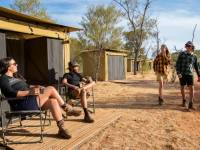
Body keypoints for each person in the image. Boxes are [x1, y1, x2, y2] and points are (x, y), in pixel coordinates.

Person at [0, 57, 82, 139]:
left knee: (52, 101)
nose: (16, 65)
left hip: (31, 101)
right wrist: (29, 92)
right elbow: (10, 93)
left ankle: (62, 129)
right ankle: (67, 109)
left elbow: (27, 86)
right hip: (21, 104)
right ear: (8, 67)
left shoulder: (15, 77)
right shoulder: (3, 79)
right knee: (51, 89)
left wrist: (36, 86)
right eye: (14, 64)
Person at [176, 41, 200, 110]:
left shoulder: (194, 56)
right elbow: (177, 64)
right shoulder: (182, 54)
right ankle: (184, 100)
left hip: (190, 74)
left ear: (192, 47)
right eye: (187, 46)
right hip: (182, 74)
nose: (188, 47)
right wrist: (178, 73)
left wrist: (199, 75)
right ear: (185, 46)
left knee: (192, 88)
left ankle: (191, 103)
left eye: (189, 46)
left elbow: (196, 67)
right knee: (182, 87)